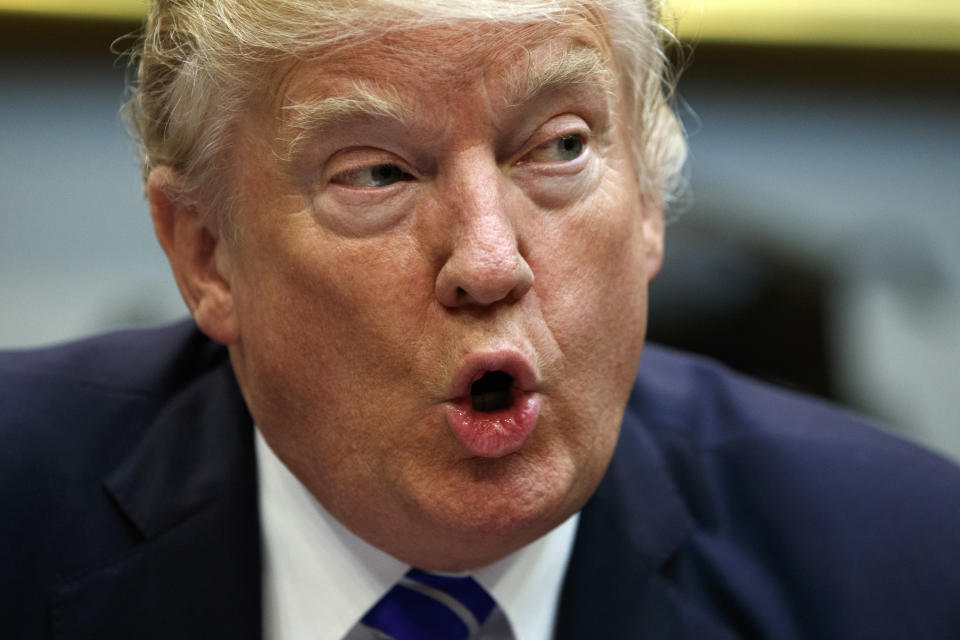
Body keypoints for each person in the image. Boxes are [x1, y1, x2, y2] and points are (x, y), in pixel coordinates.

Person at [2, 1, 959, 638]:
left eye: (561, 147)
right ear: (206, 252)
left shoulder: (907, 568)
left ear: (651, 207)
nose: (491, 261)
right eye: (375, 171)